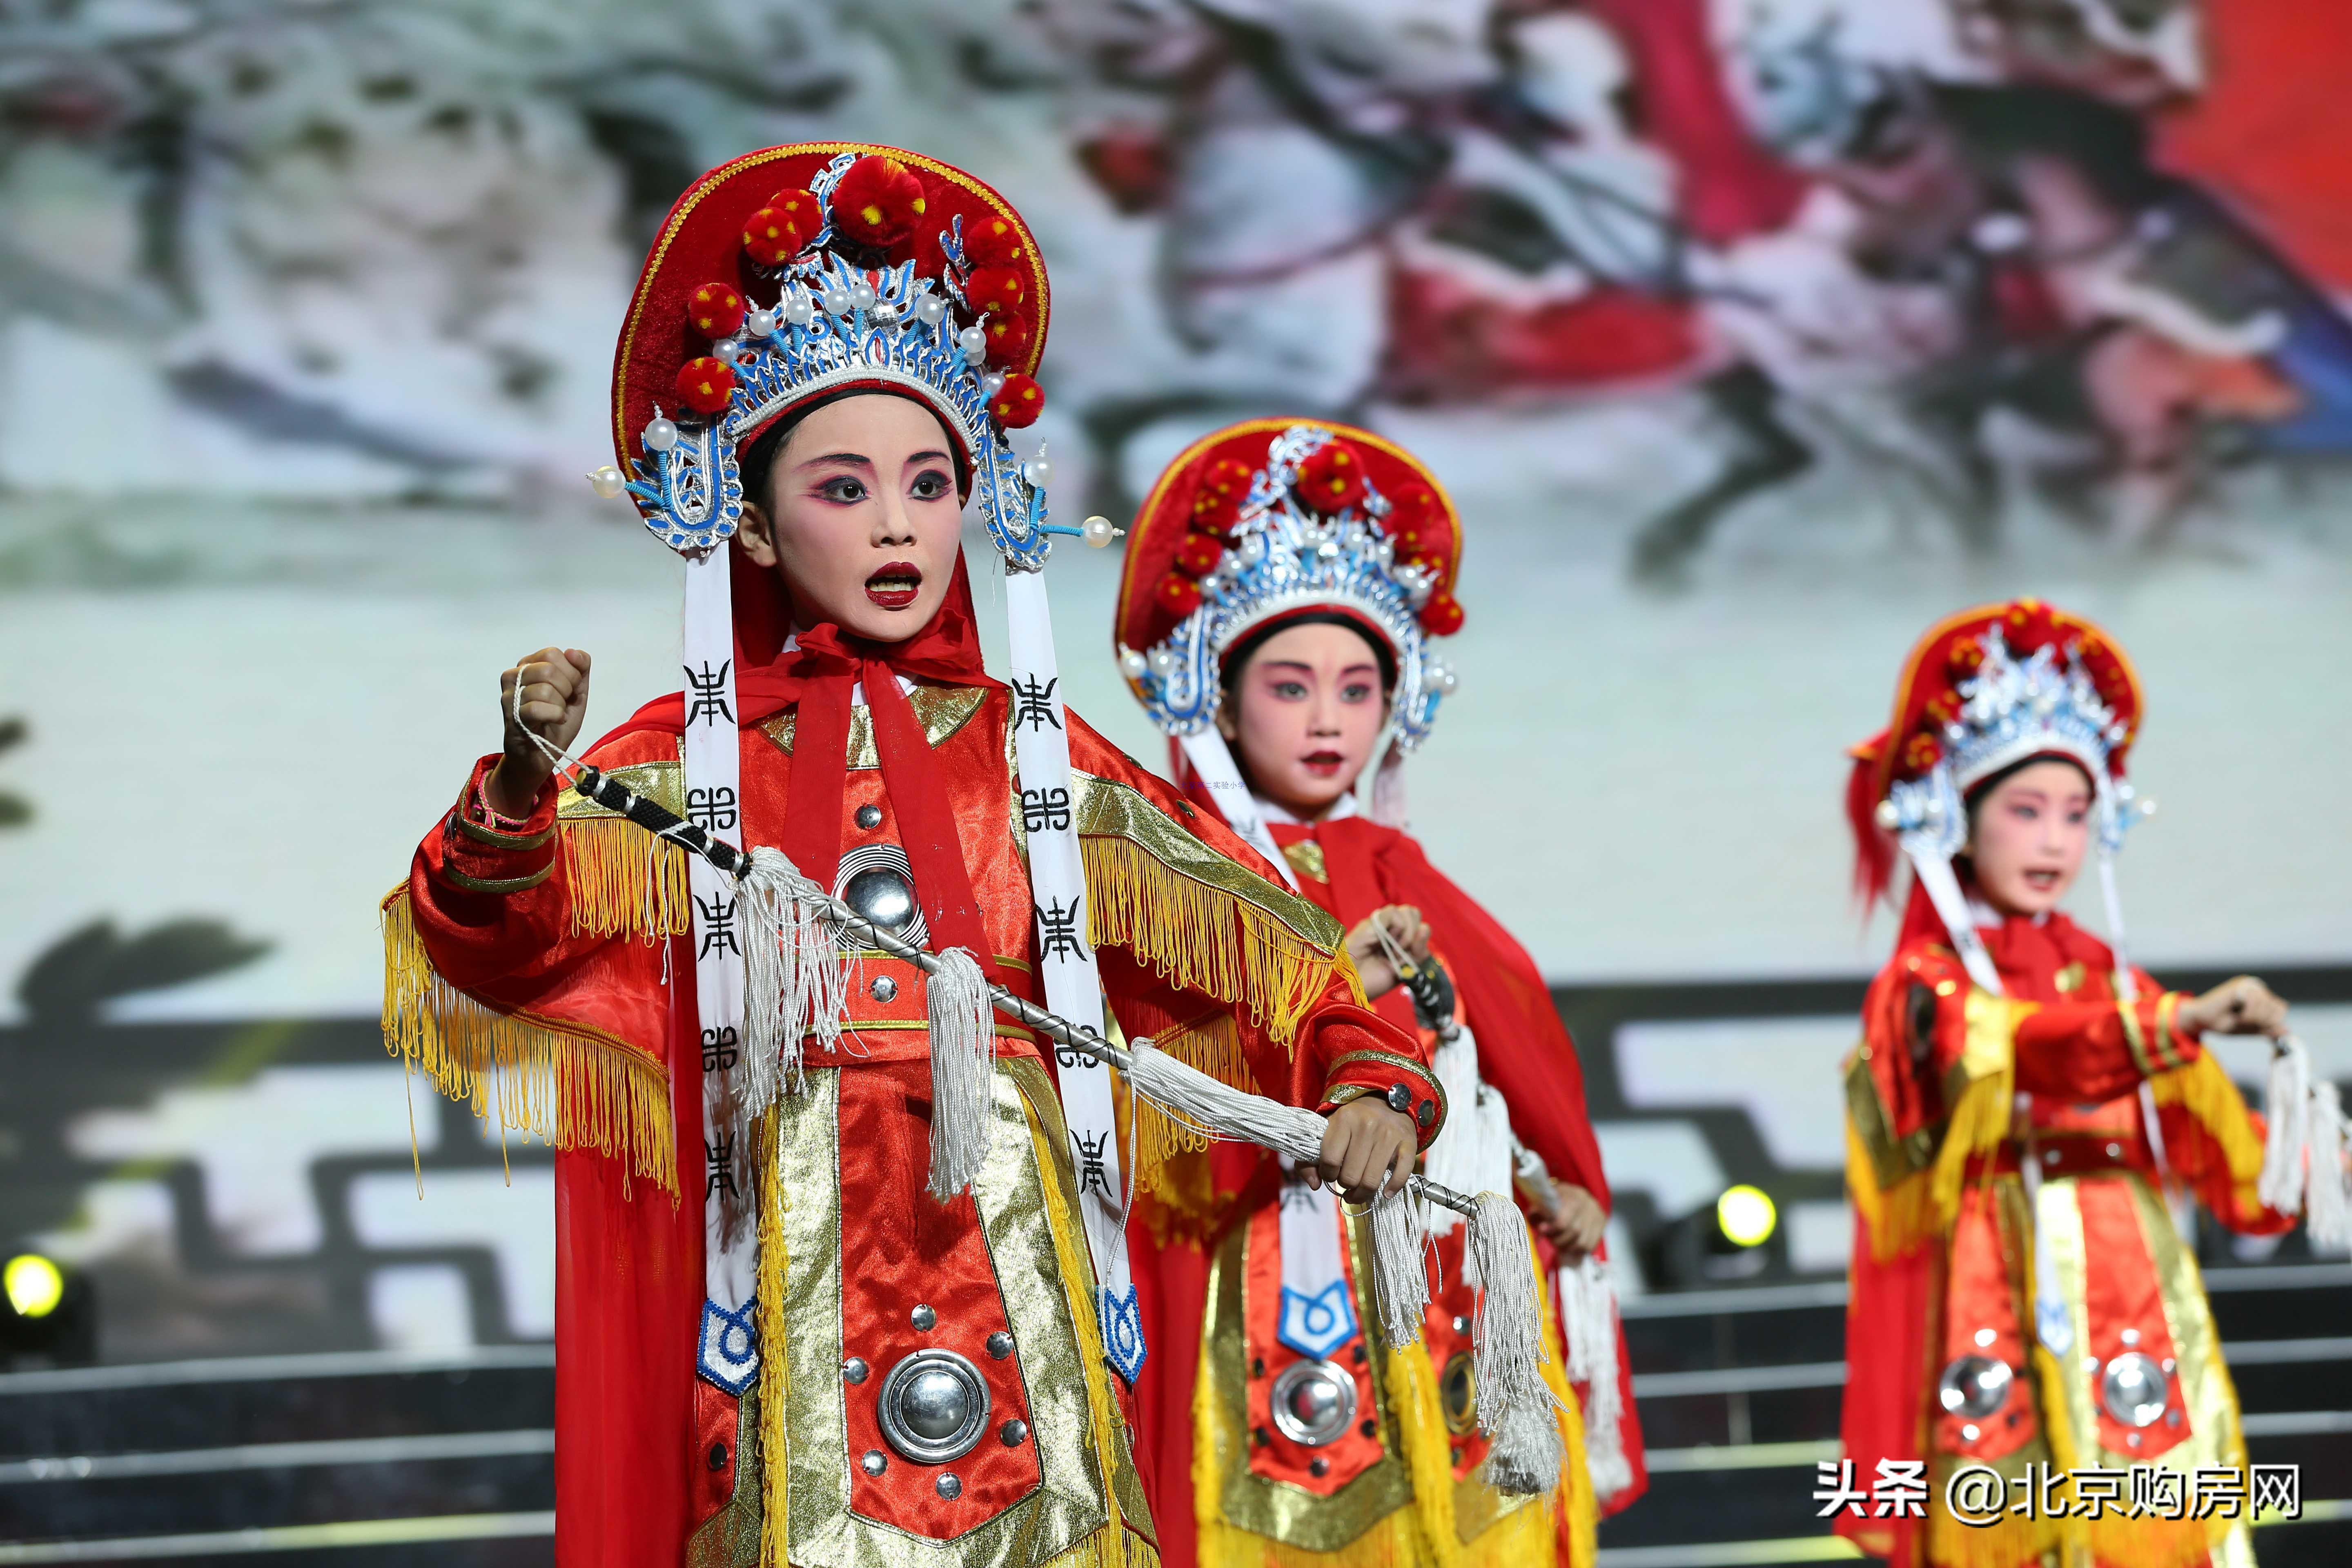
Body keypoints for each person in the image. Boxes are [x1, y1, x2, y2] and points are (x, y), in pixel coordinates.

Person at [380, 144, 1445, 1568]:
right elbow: (489, 937)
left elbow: (1278, 955)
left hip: (1022, 1269)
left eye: (931, 482)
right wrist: (521, 785)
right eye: (844, 488)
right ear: (753, 524)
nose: (897, 522)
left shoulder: (1041, 762)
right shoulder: (687, 767)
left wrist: (1371, 1075)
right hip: (785, 1277)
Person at [1109, 419, 1645, 1568]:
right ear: (1218, 698)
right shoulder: (1181, 880)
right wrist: (1335, 987)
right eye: (1289, 686)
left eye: (1357, 689)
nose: (1326, 719)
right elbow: (1153, 1098)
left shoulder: (1412, 879)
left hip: (1451, 1282)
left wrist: (1564, 1188)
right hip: (1276, 1273)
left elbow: (1516, 1057)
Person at [1836, 597, 2296, 1568]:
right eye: (2026, 810)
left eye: (2077, 815)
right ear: (1961, 821)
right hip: (1990, 1282)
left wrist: (2312, 1156)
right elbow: (2020, 1048)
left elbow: (2229, 1158)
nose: (2055, 841)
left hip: (2130, 1286)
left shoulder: (2110, 977)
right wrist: (2176, 1024)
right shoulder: (1925, 985)